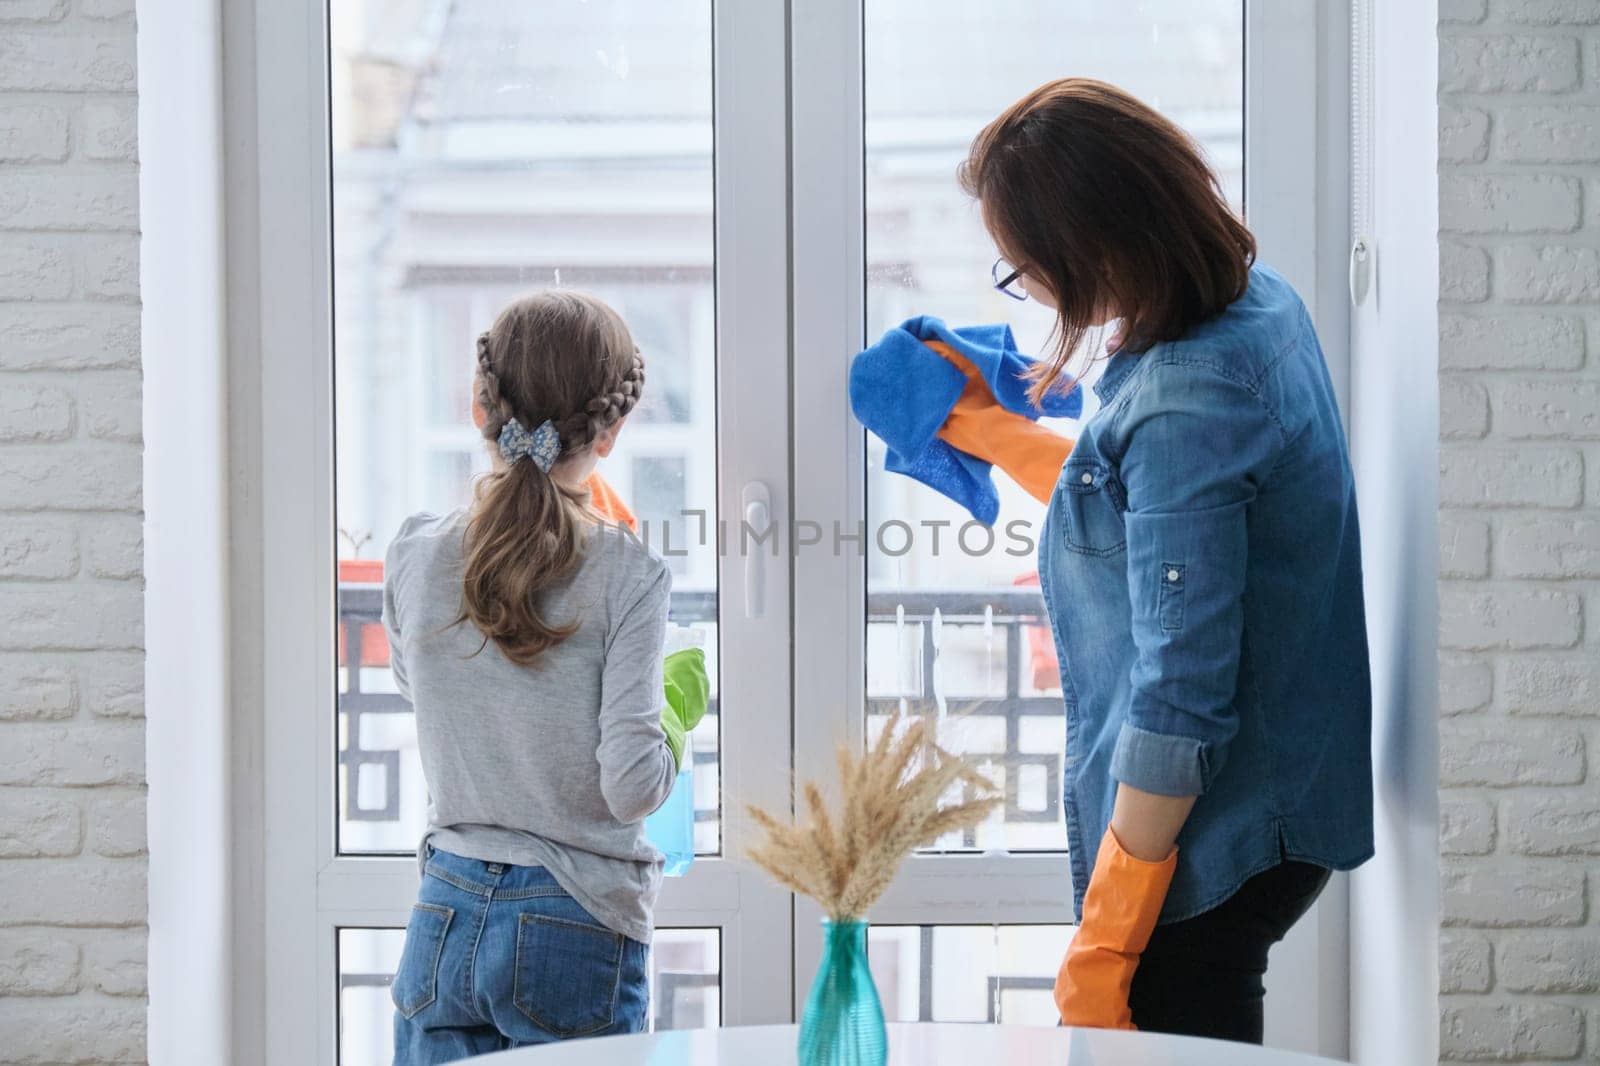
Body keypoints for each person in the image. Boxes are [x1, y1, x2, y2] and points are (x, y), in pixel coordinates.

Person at [958, 79, 1374, 1043]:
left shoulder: (1189, 393)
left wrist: (1109, 936)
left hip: (1212, 831)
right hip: (1266, 794)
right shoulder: (1251, 305)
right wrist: (990, 434)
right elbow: (1162, 512)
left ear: (1100, 248)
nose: (1031, 290)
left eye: (1027, 270)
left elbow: (1182, 694)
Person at [383, 290, 693, 1062]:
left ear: (478, 409)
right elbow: (631, 788)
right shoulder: (630, 572)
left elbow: (421, 692)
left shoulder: (415, 552)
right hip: (577, 922)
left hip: (444, 913)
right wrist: (681, 709)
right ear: (613, 431)